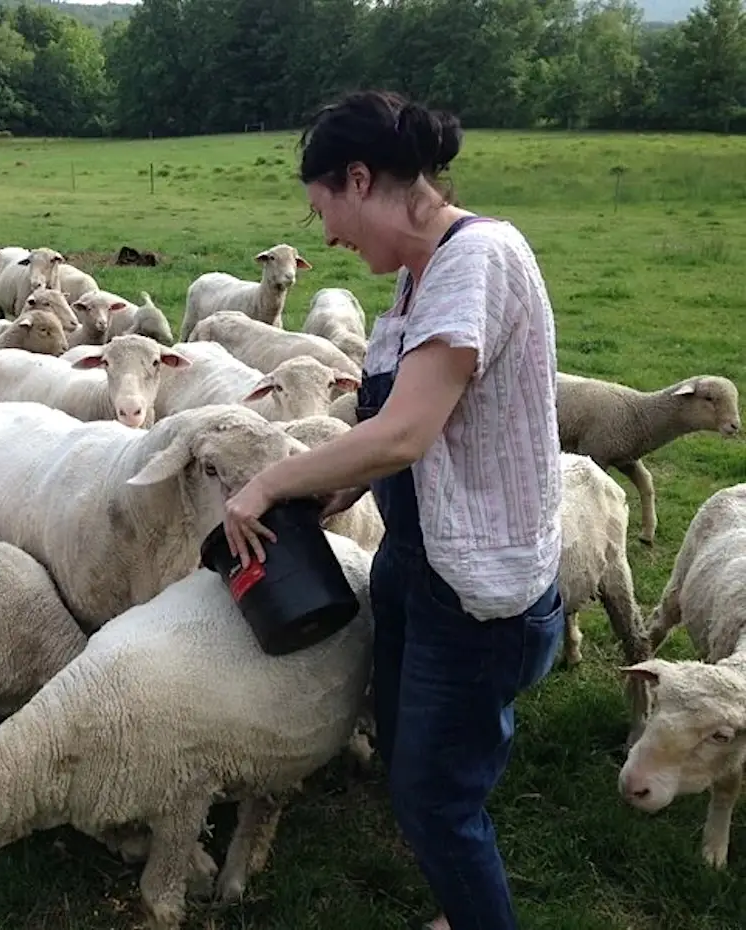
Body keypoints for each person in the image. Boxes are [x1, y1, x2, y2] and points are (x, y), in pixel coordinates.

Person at [222, 89, 565, 930]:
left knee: (432, 804)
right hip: (420, 559)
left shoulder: (475, 261)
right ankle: (462, 871)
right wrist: (349, 482)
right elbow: (416, 433)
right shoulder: (418, 279)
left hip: (477, 582)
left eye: (325, 213)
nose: (329, 239)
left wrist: (276, 481)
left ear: (362, 178)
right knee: (421, 753)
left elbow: (407, 432)